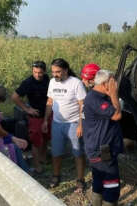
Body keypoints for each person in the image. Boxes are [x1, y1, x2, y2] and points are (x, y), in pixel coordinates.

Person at [41, 58, 87, 192]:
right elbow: (50, 101)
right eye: (53, 72)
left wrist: (80, 124)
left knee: (78, 152)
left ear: (66, 70)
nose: (55, 74)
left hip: (73, 123)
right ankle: (56, 176)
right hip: (57, 123)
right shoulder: (52, 82)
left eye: (58, 72)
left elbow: (82, 105)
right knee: (56, 152)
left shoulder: (76, 83)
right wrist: (45, 120)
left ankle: (80, 179)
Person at [83, 70, 123, 206]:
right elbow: (117, 115)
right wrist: (113, 93)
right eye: (113, 83)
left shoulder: (100, 96)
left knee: (99, 181)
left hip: (100, 149)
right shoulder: (95, 99)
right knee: (111, 186)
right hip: (102, 152)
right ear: (105, 84)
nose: (115, 85)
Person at [11, 60, 50, 174]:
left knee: (46, 136)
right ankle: (37, 165)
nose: (37, 75)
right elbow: (14, 97)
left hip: (48, 113)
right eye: (35, 72)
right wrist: (27, 109)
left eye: (40, 72)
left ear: (44, 71)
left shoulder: (47, 79)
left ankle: (43, 158)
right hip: (35, 115)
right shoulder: (28, 82)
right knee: (36, 141)